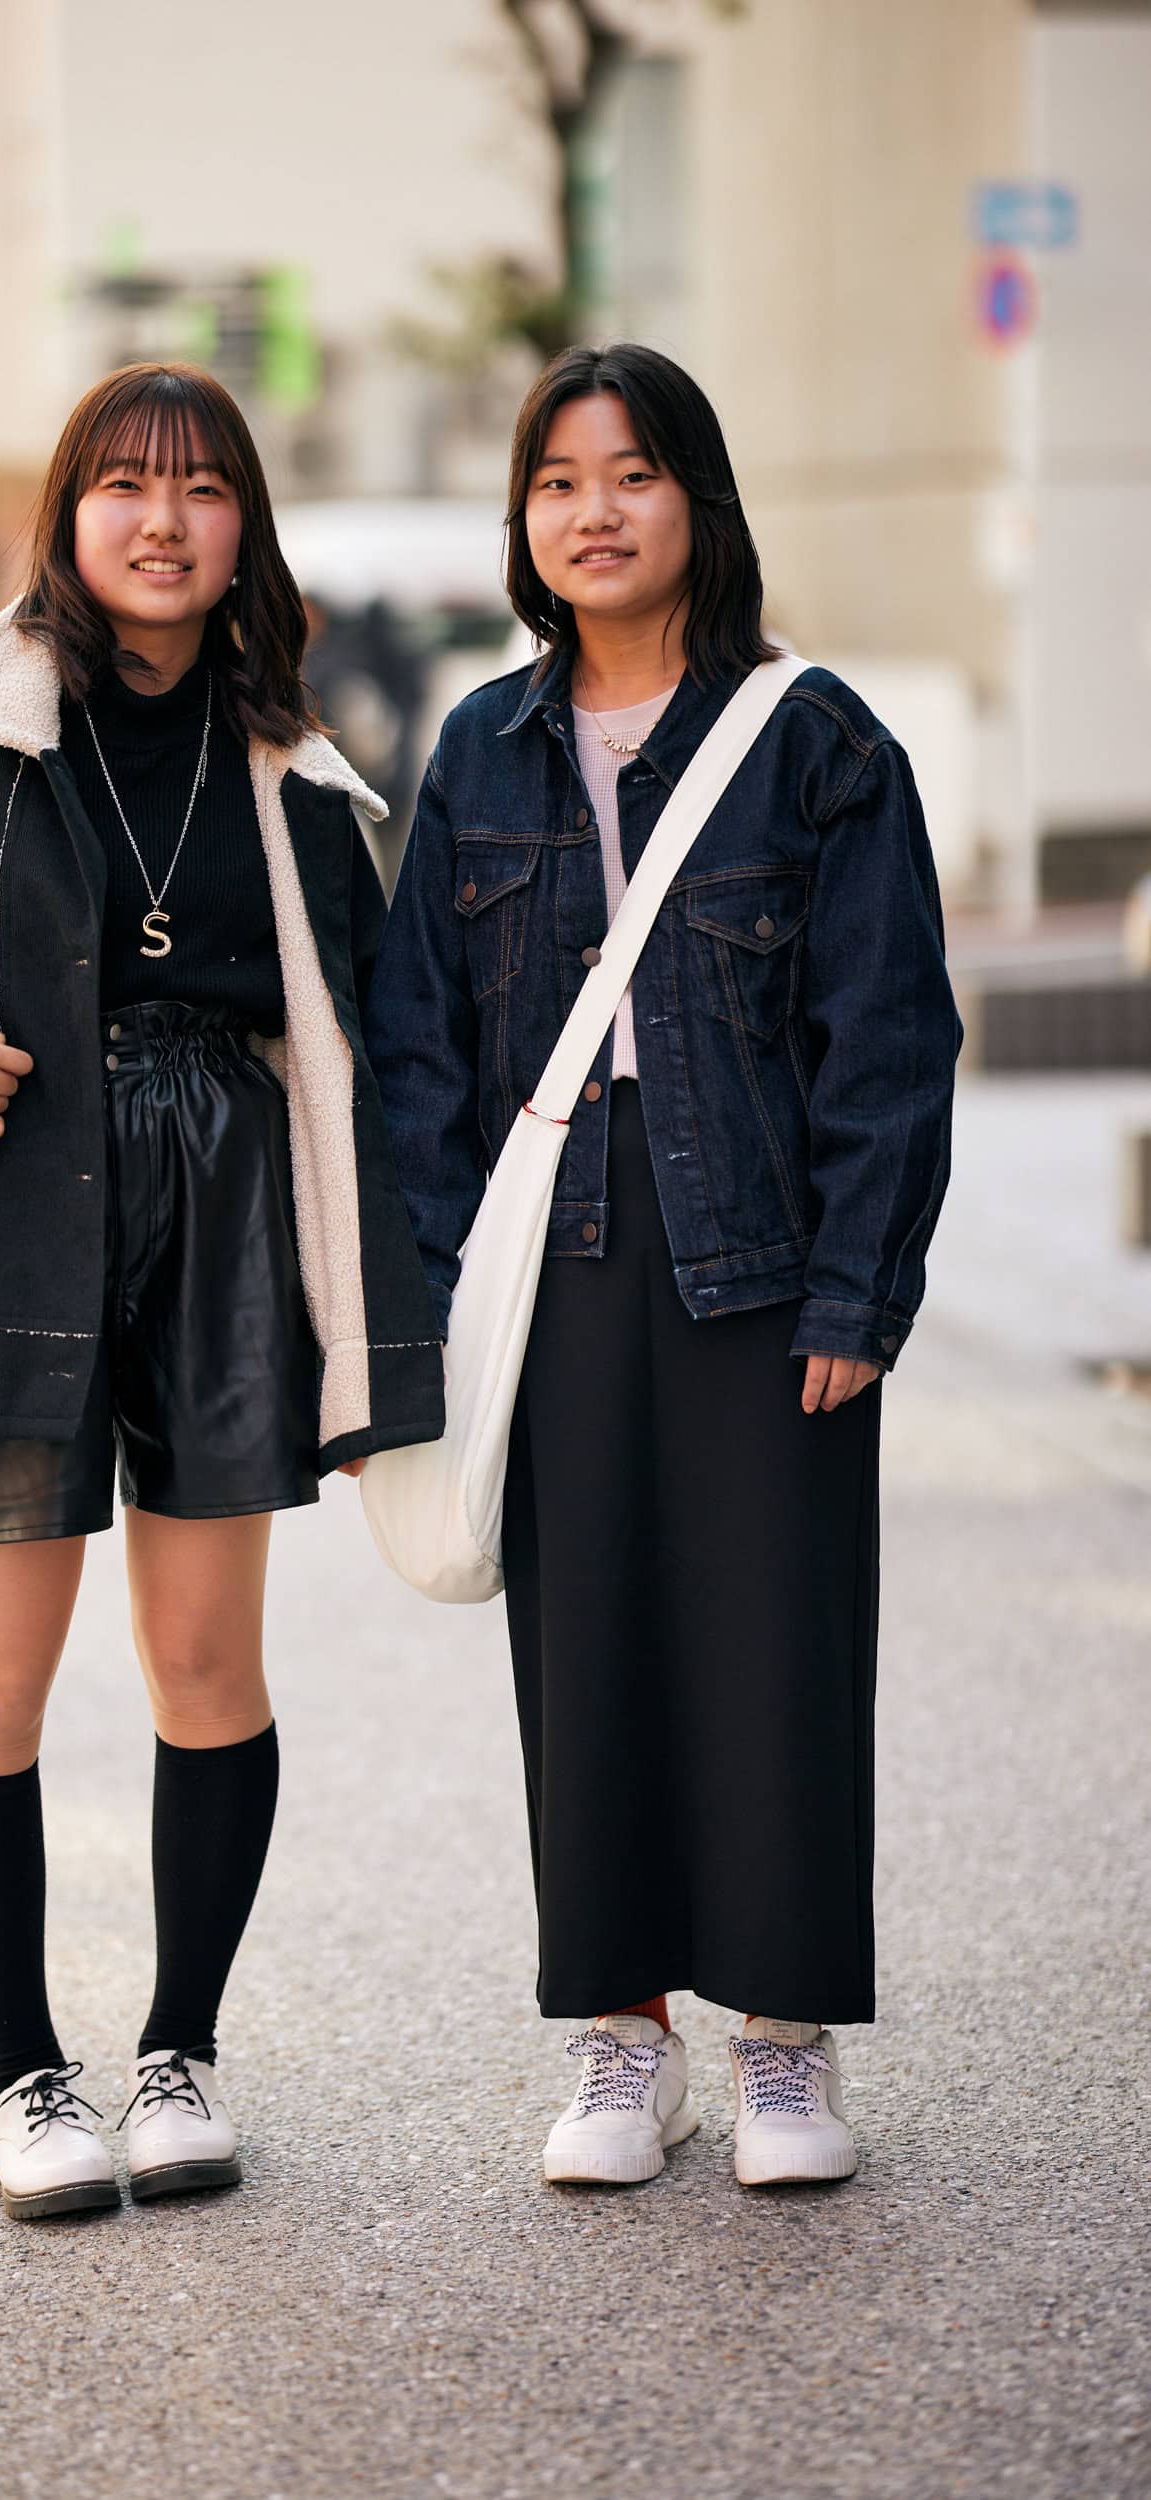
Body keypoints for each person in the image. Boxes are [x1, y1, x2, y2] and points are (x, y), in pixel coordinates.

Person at [0, 363, 443, 2220]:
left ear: (243, 527)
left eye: (200, 488)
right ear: (70, 513)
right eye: (124, 483)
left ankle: (181, 2052)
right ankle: (24, 2071)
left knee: (207, 1664)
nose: (161, 520)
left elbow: (379, 1046)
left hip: (224, 1224)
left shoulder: (296, 765)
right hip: (6, 1215)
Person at [363, 343, 961, 2189]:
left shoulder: (816, 740)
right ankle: (624, 2038)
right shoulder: (480, 747)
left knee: (779, 1640)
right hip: (555, 1250)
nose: (594, 512)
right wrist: (442, 1290)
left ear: (698, 499)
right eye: (557, 482)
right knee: (590, 1645)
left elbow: (888, 1034)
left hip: (758, 1246)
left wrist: (859, 1288)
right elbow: (416, 1050)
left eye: (631, 475)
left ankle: (784, 2043)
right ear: (522, 521)